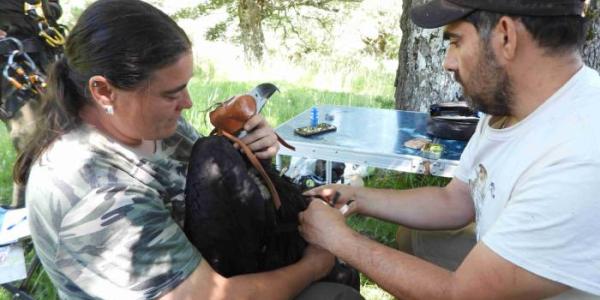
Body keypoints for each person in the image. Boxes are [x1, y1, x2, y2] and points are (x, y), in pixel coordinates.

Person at [13, 0, 362, 299]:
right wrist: (314, 266)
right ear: (104, 91)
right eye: (170, 93)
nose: (188, 102)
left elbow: (214, 191)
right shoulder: (96, 191)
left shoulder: (154, 124)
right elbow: (213, 296)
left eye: (185, 86)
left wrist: (252, 153)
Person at [299, 0, 600, 299]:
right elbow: (456, 199)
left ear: (506, 36)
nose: (447, 62)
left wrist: (340, 240)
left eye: (456, 41)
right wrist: (358, 197)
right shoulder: (510, 108)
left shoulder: (581, 153)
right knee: (415, 238)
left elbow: (461, 295)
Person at [1, 0, 64, 207]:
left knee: (69, 127)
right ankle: (26, 214)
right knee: (33, 136)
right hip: (10, 61)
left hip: (45, 51)